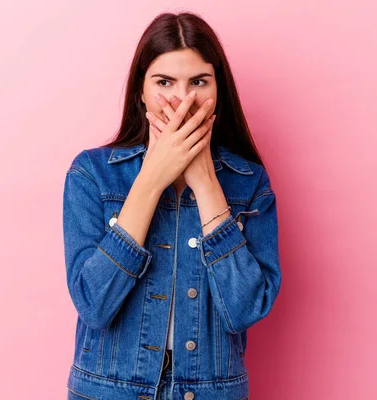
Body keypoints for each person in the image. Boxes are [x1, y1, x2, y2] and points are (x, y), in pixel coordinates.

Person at [62, 11, 281, 400]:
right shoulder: (92, 175)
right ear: (141, 91)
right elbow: (93, 305)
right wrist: (151, 179)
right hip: (108, 391)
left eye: (199, 81)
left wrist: (205, 180)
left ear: (219, 91)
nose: (183, 100)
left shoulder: (250, 183)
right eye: (164, 82)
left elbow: (245, 308)